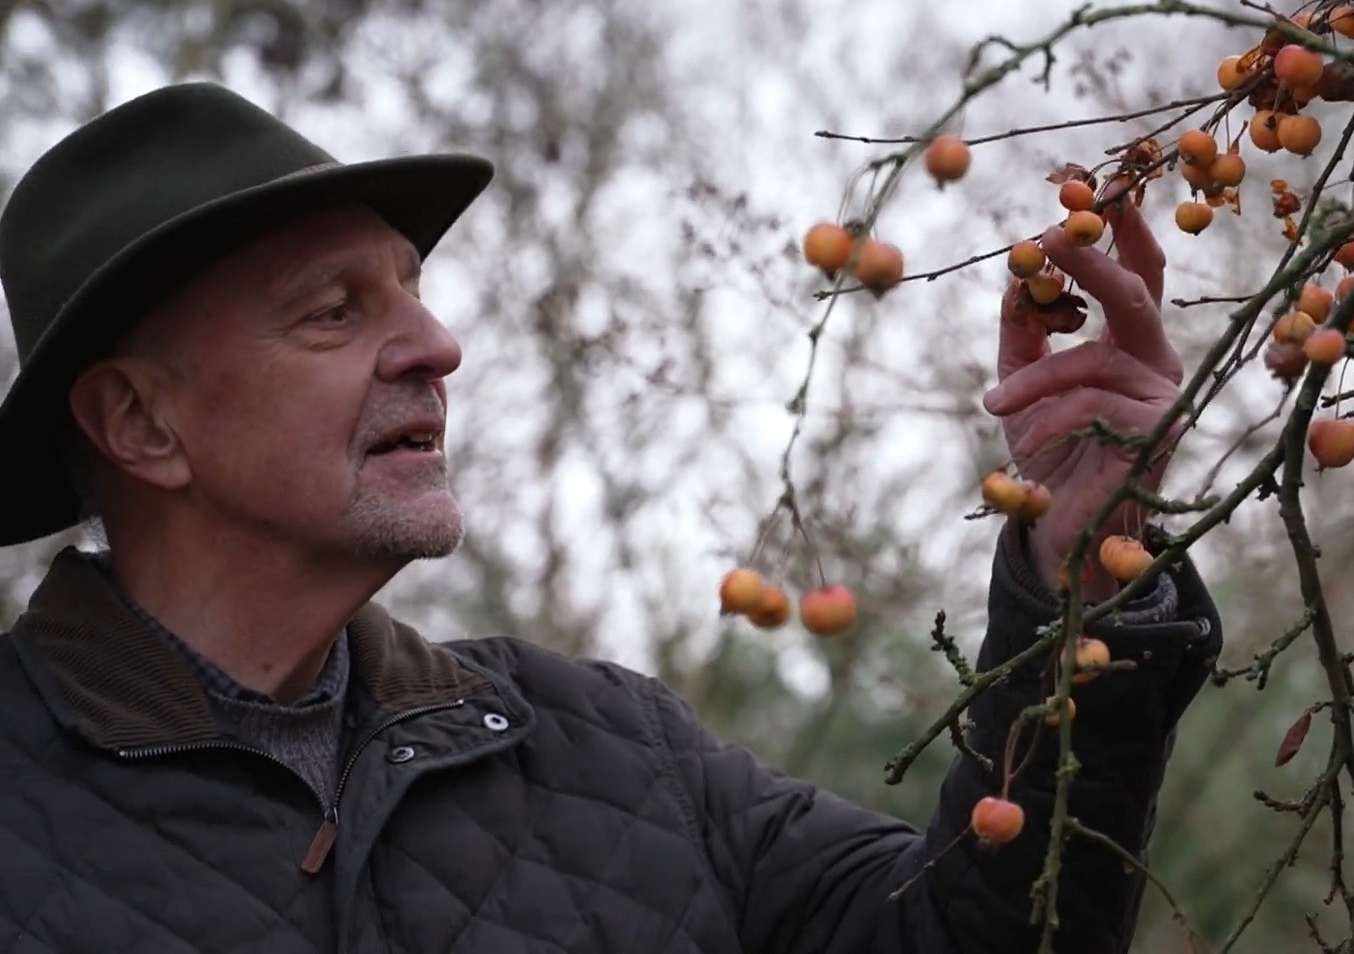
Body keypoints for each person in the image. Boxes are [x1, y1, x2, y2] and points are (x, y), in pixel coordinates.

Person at [0, 82, 1220, 952]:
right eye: (332, 310)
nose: (438, 345)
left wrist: (1080, 579)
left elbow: (972, 935)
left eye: (412, 295)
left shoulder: (609, 752)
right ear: (141, 426)